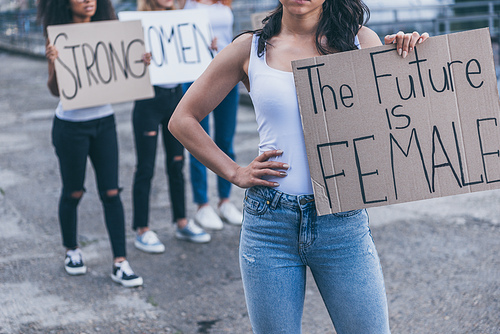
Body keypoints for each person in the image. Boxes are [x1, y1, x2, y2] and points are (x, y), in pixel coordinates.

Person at [169, 0, 429, 332]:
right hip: (270, 224)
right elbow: (182, 119)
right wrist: (234, 172)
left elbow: (395, 117)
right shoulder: (250, 49)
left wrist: (411, 57)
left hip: (341, 223)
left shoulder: (360, 42)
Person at [37, 0, 143, 287]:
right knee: (73, 191)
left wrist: (139, 64)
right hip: (70, 126)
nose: (88, 0)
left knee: (111, 191)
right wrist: (54, 62)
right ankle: (72, 250)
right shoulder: (57, 35)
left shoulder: (108, 32)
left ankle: (120, 262)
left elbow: (125, 72)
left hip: (103, 122)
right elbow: (55, 90)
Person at [132, 0, 211, 254]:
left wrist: (207, 49)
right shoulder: (137, 24)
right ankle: (142, 229)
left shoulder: (182, 21)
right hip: (148, 100)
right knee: (145, 167)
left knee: (177, 163)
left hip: (175, 98)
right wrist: (138, 61)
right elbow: (127, 68)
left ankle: (181, 221)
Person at [178, 0, 243, 230]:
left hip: (227, 75)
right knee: (199, 140)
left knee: (226, 139)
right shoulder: (186, 4)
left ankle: (225, 201)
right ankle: (202, 204)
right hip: (196, 76)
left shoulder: (224, 3)